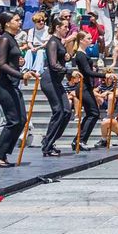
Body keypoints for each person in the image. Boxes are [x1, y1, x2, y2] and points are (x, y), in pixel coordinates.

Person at [39, 16, 75, 156]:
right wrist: (69, 70)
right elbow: (53, 64)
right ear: (57, 27)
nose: (67, 29)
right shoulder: (52, 42)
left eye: (67, 27)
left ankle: (50, 140)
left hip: (56, 81)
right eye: (65, 27)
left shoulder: (60, 42)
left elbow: (63, 59)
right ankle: (47, 145)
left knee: (66, 111)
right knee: (58, 111)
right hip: (49, 80)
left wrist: (67, 57)